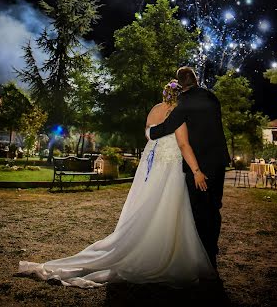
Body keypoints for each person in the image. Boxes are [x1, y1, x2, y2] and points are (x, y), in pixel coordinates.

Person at [18, 80, 215, 288]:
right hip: (169, 168)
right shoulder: (178, 115)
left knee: (147, 204)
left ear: (165, 93)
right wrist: (197, 171)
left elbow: (149, 136)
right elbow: (183, 144)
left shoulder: (154, 110)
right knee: (168, 206)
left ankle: (142, 240)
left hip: (150, 169)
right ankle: (161, 252)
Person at [146, 67, 230, 269]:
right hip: (218, 160)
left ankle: (205, 254)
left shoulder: (182, 105)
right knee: (214, 206)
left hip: (198, 165)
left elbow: (166, 128)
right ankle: (212, 247)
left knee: (199, 210)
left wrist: (150, 132)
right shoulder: (212, 97)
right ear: (196, 79)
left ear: (179, 84)